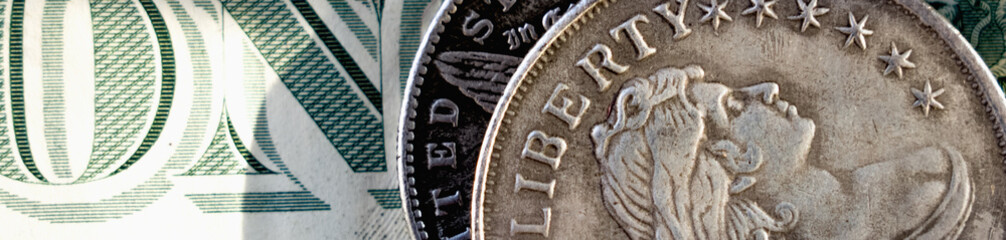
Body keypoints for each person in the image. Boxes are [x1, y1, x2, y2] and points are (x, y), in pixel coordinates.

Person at [591, 65, 973, 240]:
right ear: (736, 169)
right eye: (736, 106)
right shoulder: (921, 187)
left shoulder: (921, 173)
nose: (767, 89)